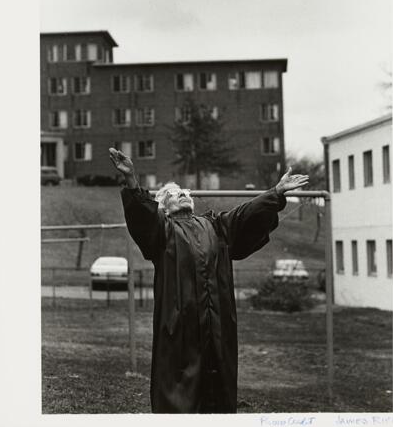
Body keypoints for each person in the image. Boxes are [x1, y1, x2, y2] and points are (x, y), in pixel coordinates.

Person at [109, 147, 309, 414]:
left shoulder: (215, 226)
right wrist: (132, 180)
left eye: (183, 191)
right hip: (181, 331)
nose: (181, 193)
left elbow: (245, 215)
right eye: (172, 193)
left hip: (218, 328)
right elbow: (142, 216)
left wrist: (275, 193)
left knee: (219, 395)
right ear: (164, 208)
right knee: (180, 397)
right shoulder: (162, 232)